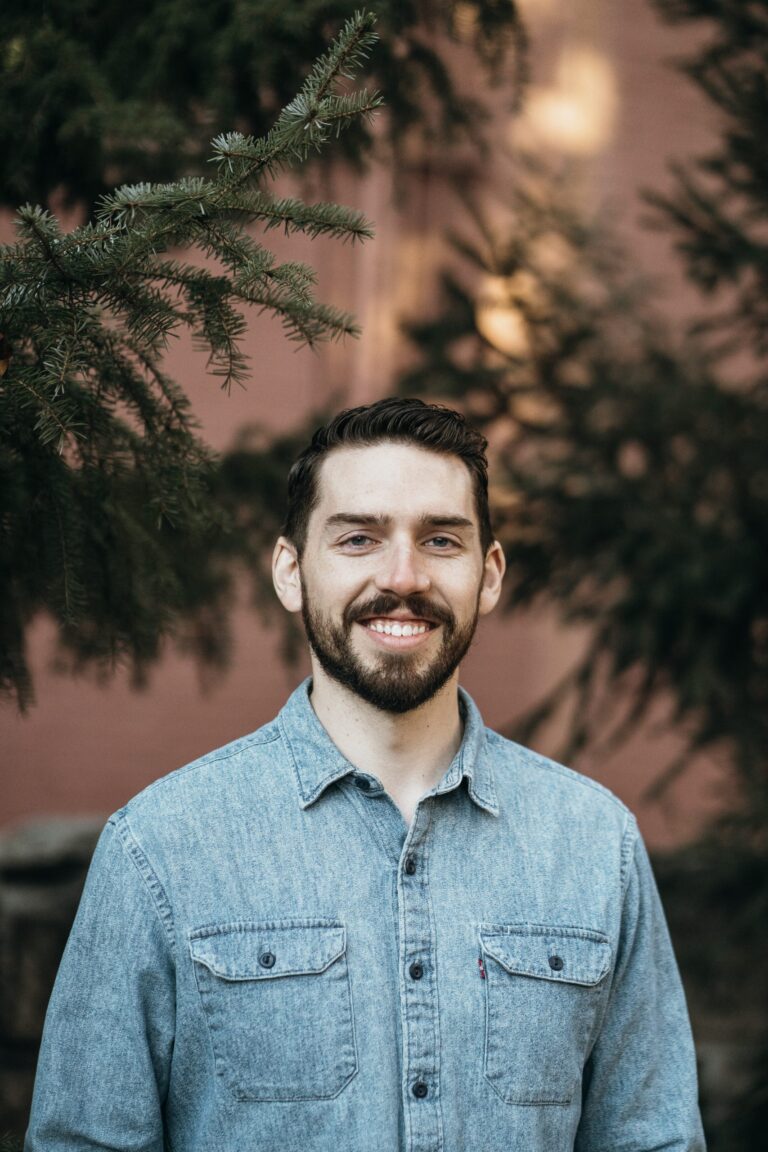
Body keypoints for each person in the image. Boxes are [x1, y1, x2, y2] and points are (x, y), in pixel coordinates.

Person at [26, 398, 705, 1151]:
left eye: (442, 539)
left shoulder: (594, 841)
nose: (403, 576)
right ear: (291, 571)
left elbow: (652, 1138)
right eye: (358, 538)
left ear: (489, 574)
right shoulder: (160, 846)